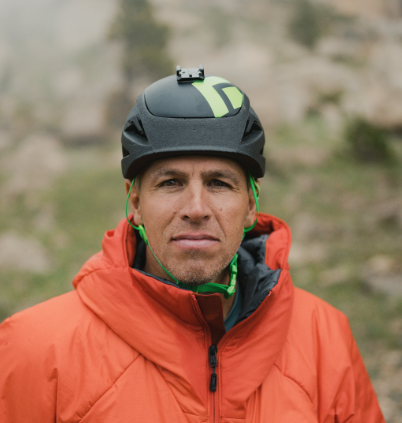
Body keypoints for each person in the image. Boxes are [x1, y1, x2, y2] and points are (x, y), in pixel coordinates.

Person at [0, 66, 384, 422]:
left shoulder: (325, 338)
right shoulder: (35, 349)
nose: (196, 208)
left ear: (251, 205)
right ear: (136, 202)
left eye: (219, 183)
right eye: (171, 183)